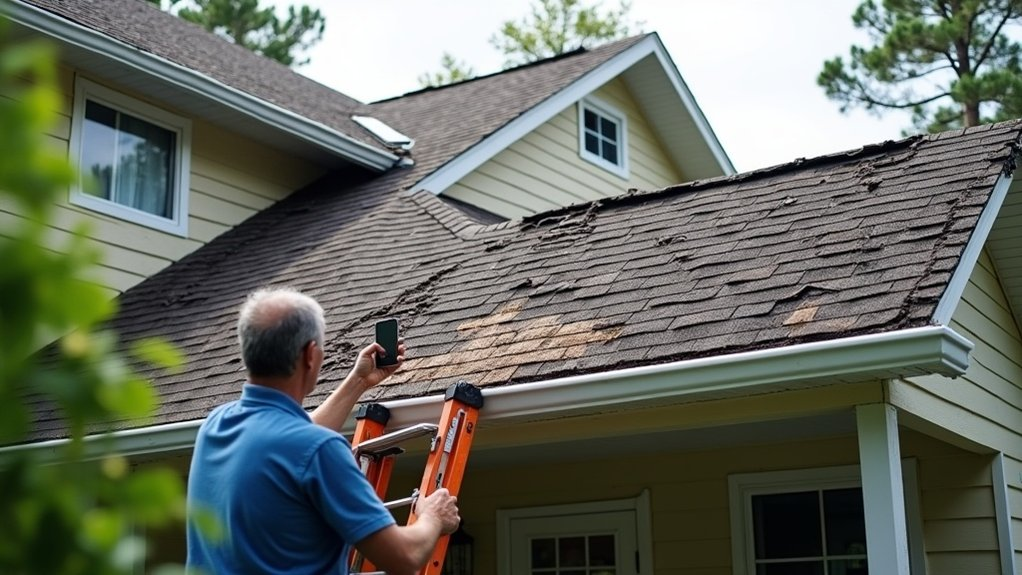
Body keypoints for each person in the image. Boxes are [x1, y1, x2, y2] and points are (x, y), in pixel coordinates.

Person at [186, 288, 460, 575]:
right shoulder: (318, 449)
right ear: (310, 355)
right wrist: (432, 516)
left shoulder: (216, 425)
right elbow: (404, 556)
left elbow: (294, 443)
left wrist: (358, 381)